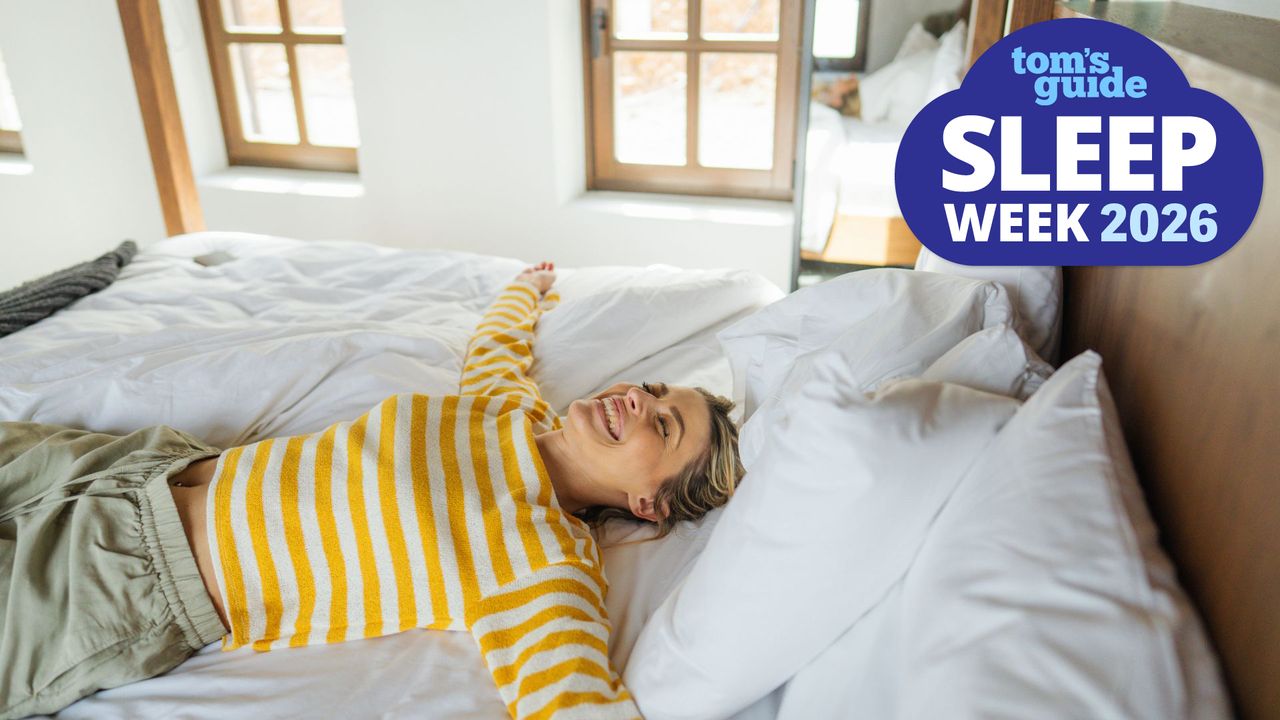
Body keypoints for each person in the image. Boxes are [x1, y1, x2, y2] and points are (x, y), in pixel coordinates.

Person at [0, 261, 745, 719]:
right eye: (654, 389)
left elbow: (569, 698)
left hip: (126, 583)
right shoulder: (504, 410)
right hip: (133, 470)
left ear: (647, 504)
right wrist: (527, 290)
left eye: (663, 425)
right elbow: (498, 348)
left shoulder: (541, 559)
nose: (638, 398)